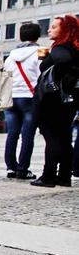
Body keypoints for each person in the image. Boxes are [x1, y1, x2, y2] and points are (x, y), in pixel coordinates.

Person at [31, 15, 79, 188]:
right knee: (64, 136)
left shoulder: (60, 48)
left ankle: (49, 175)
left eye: (54, 27)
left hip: (53, 100)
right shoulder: (74, 48)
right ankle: (64, 176)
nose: (49, 30)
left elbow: (63, 61)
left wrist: (57, 80)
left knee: (52, 136)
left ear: (64, 30)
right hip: (68, 100)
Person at [2, 22, 41, 180]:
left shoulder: (11, 56)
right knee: (28, 135)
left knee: (12, 134)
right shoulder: (39, 53)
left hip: (12, 96)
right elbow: (41, 76)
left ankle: (11, 167)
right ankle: (23, 169)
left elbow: (5, 75)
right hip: (29, 97)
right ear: (37, 36)